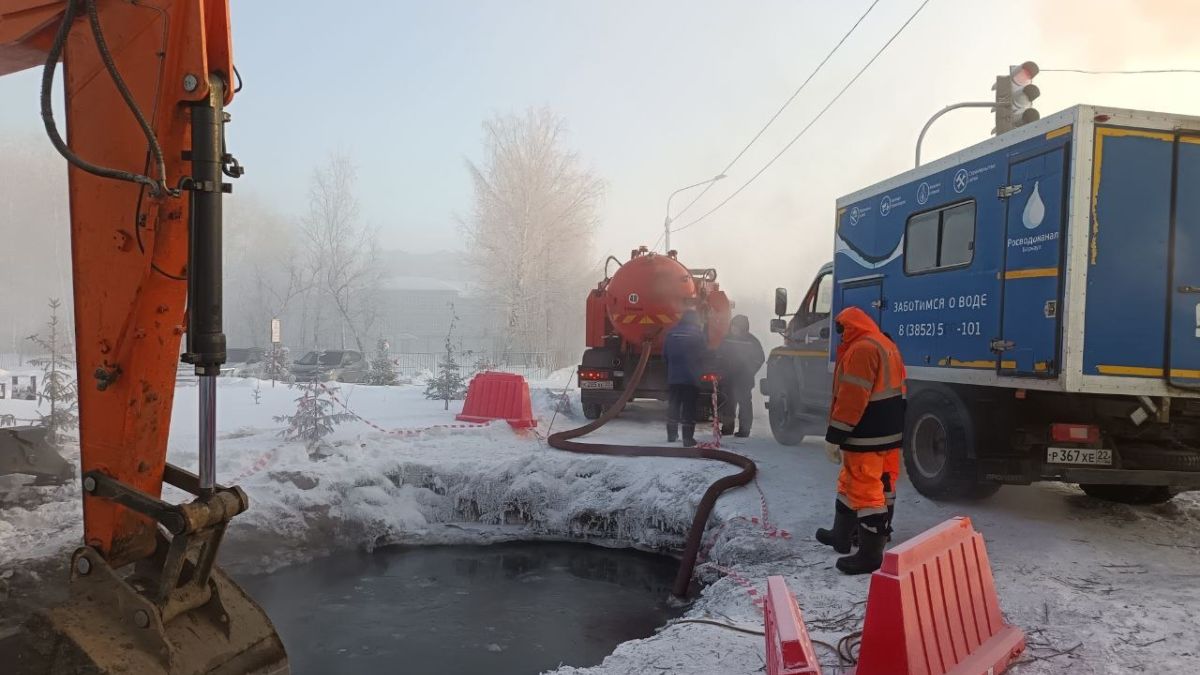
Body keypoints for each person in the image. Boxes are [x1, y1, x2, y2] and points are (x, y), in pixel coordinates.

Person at [815, 306, 906, 575]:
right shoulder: (884, 344)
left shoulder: (861, 350)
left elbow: (852, 399)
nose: (839, 335)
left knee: (864, 487)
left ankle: (870, 554)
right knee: (870, 482)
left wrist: (835, 436)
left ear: (849, 326)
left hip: (866, 433)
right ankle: (843, 535)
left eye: (841, 329)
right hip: (888, 431)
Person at [663, 309, 707, 447]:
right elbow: (703, 356)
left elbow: (665, 355)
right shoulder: (698, 335)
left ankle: (671, 435)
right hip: (691, 378)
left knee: (673, 405)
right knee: (689, 408)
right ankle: (687, 439)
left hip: (674, 377)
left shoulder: (671, 333)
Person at [716, 315, 765, 437]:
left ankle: (744, 430)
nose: (734, 329)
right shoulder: (726, 339)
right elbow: (719, 356)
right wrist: (721, 370)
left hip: (744, 379)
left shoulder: (752, 341)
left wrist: (749, 371)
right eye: (733, 326)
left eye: (737, 326)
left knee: (744, 404)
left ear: (743, 327)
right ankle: (727, 428)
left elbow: (760, 359)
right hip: (728, 378)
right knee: (728, 403)